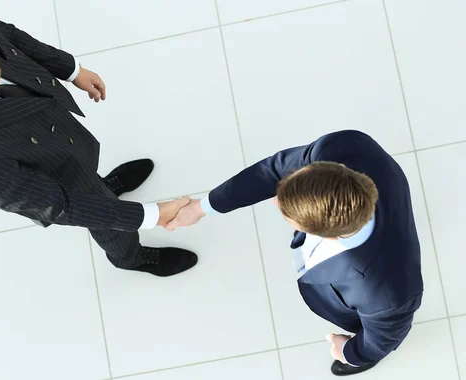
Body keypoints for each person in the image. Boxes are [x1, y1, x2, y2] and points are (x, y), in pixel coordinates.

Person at [0, 4, 197, 277]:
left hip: (53, 125)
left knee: (89, 173)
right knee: (98, 210)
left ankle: (101, 185)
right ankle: (130, 257)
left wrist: (71, 69)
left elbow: (10, 36)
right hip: (54, 174)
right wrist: (152, 215)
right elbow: (61, 206)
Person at [166, 130, 423, 376]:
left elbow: (381, 340)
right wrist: (201, 208)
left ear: (326, 234)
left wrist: (348, 352)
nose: (276, 199)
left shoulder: (386, 293)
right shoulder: (344, 146)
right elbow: (274, 170)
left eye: (287, 213)